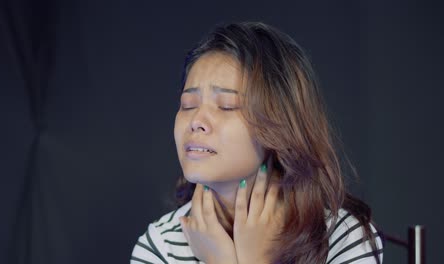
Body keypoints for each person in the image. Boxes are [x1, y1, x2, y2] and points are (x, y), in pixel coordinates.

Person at [130, 22, 383, 264]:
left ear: (280, 124)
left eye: (226, 106)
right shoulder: (162, 246)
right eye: (188, 105)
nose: (196, 121)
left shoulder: (343, 237)